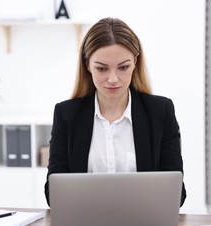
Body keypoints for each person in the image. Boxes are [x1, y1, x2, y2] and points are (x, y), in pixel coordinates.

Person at [44, 17, 186, 207]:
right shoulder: (66, 114)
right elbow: (53, 194)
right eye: (102, 69)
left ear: (135, 62)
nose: (113, 79)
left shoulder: (161, 112)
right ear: (87, 64)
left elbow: (177, 195)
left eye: (123, 67)